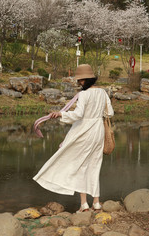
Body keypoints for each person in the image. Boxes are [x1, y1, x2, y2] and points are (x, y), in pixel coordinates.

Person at [33, 64, 114, 213]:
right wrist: (96, 114)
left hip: (85, 132)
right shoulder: (103, 92)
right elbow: (110, 113)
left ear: (84, 80)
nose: (79, 83)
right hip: (98, 131)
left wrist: (61, 114)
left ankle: (84, 204)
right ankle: (96, 203)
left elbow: (78, 115)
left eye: (80, 81)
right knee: (95, 165)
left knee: (80, 166)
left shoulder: (84, 95)